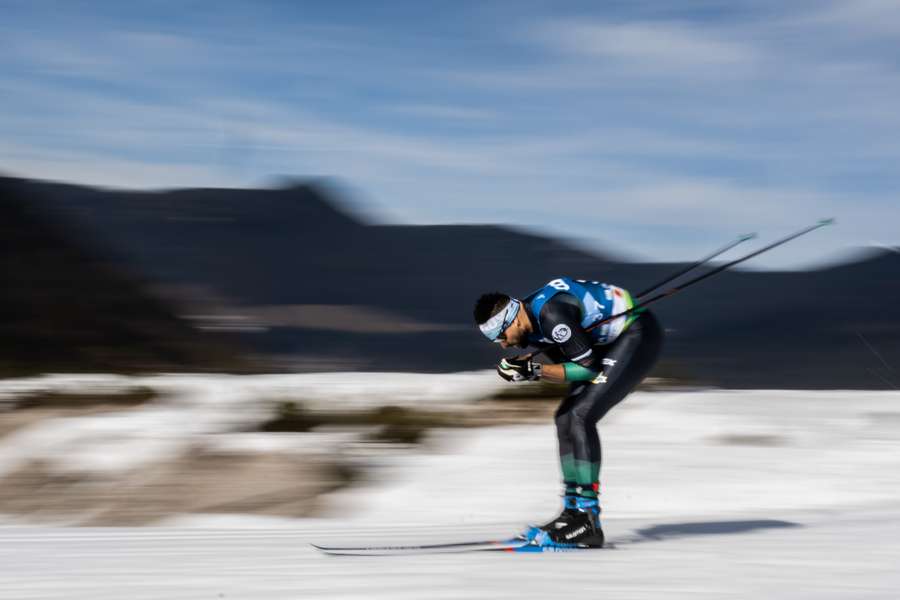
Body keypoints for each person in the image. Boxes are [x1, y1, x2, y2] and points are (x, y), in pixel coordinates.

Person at [473, 277, 663, 548]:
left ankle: (588, 520)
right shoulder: (531, 321)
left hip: (637, 333)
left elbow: (587, 368)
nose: (503, 345)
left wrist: (534, 371)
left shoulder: (551, 316)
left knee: (581, 415)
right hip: (608, 338)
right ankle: (572, 510)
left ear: (513, 320)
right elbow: (567, 365)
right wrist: (529, 367)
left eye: (501, 336)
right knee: (564, 416)